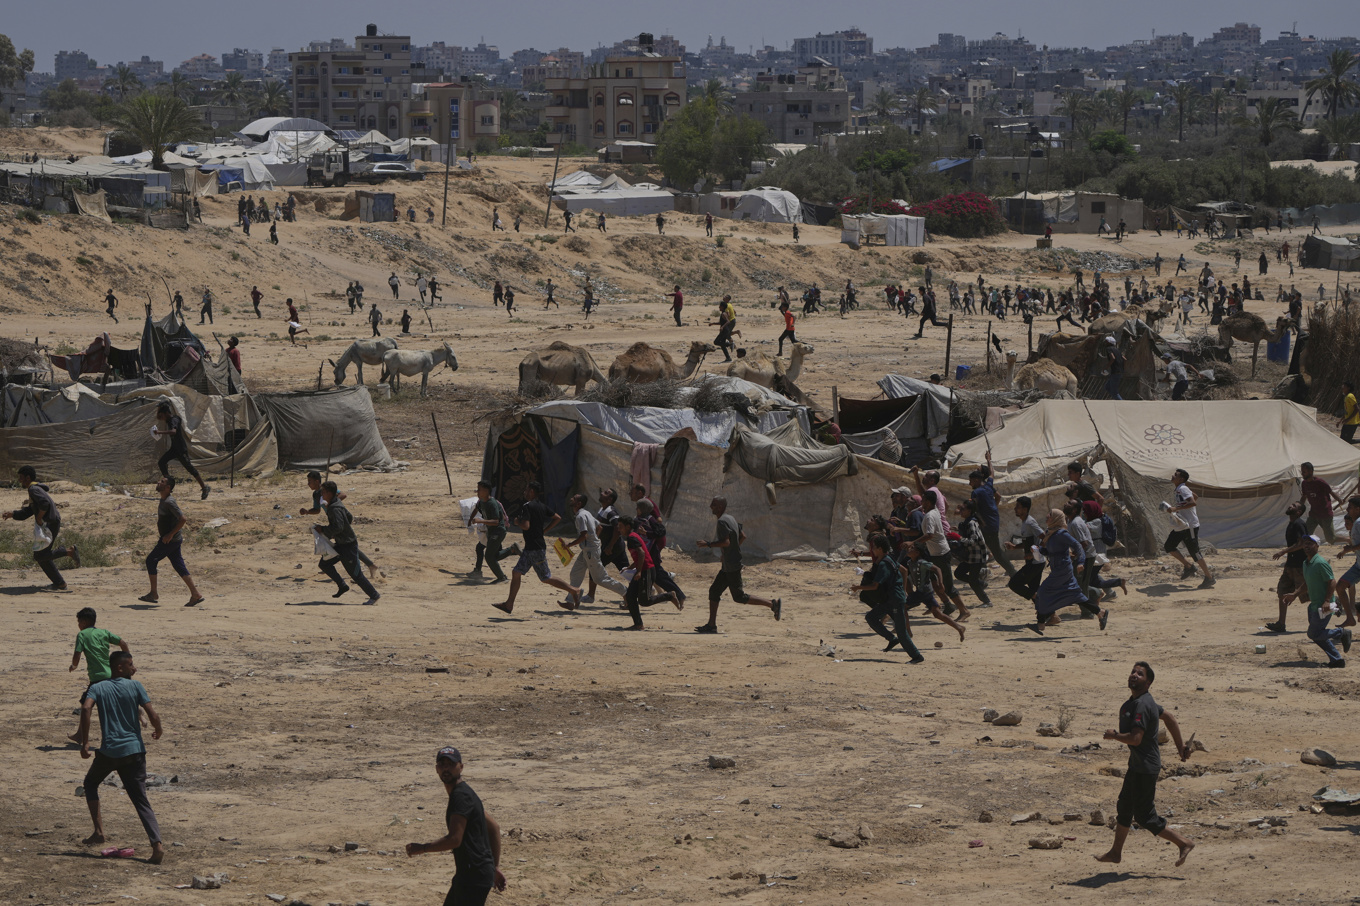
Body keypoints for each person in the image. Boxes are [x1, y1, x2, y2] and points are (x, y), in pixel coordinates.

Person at [1095, 661, 1195, 868]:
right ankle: (1115, 852)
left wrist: (1114, 735)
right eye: (1133, 672)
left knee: (1144, 816)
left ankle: (1183, 842)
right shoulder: (1142, 701)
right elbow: (1169, 717)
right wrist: (1180, 747)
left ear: (1148, 683)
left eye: (1140, 674)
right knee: (1124, 807)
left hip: (1146, 768)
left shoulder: (1142, 704)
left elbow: (1135, 739)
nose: (1134, 675)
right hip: (1137, 765)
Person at [77, 651, 166, 864]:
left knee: (90, 783)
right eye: (130, 665)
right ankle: (157, 845)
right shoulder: (136, 686)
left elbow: (86, 708)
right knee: (140, 799)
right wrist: (158, 729)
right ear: (119, 668)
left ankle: (99, 832)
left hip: (109, 752)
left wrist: (85, 742)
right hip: (134, 752)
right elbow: (152, 714)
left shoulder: (97, 687)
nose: (134, 668)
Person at [406, 747, 506, 905]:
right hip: (472, 873)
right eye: (442, 764)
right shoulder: (464, 793)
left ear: (461, 767)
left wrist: (423, 848)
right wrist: (494, 866)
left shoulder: (461, 796)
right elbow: (493, 826)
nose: (446, 768)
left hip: (473, 875)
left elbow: (454, 840)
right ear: (436, 769)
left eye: (451, 764)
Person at [694, 497, 781, 633]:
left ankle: (772, 604)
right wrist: (731, 551)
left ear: (720, 507)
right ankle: (711, 625)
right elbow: (743, 536)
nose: (711, 506)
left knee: (739, 597)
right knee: (714, 591)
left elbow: (726, 542)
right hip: (729, 564)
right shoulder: (730, 518)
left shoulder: (722, 522)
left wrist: (708, 544)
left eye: (714, 504)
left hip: (731, 566)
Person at [493, 482, 580, 614]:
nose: (524, 492)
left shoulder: (527, 506)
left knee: (545, 577)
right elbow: (557, 517)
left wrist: (517, 522)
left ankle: (573, 590)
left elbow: (526, 526)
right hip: (533, 547)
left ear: (532, 491)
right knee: (516, 572)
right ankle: (509, 604)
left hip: (535, 548)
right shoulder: (541, 506)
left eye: (527, 489)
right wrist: (544, 530)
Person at [5, 465, 80, 590]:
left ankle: (68, 552)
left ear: (28, 478)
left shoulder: (33, 489)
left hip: (50, 523)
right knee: (42, 556)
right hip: (51, 522)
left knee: (40, 555)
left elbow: (44, 504)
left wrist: (39, 518)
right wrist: (13, 514)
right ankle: (60, 583)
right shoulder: (35, 489)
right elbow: (29, 511)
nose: (19, 480)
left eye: (21, 477)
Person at [851, 533, 923, 660]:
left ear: (880, 549)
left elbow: (875, 586)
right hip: (889, 600)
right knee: (871, 617)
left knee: (901, 632)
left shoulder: (884, 563)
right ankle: (891, 639)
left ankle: (917, 656)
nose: (872, 550)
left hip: (895, 600)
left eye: (874, 547)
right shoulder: (887, 559)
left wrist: (858, 587)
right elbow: (903, 571)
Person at [136, 476, 204, 607]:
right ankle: (195, 594)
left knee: (151, 560)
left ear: (168, 487)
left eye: (162, 482)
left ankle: (153, 593)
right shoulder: (164, 500)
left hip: (170, 540)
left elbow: (183, 519)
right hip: (173, 540)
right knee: (179, 566)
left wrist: (170, 535)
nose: (158, 482)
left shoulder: (169, 502)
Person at [300, 472, 379, 580]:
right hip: (334, 520)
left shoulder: (327, 489)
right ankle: (368, 565)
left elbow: (343, 495)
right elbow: (317, 510)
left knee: (345, 545)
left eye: (310, 481)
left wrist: (331, 503)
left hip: (341, 519)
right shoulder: (316, 494)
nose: (308, 484)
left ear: (317, 481)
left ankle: (356, 571)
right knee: (343, 545)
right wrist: (307, 512)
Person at [1288, 534, 1351, 667]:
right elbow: (1307, 583)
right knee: (1318, 635)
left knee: (1314, 633)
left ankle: (1341, 633)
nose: (1307, 546)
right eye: (1305, 543)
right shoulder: (1306, 563)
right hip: (1314, 606)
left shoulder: (1320, 563)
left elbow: (1332, 582)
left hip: (1324, 606)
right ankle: (1337, 660)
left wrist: (1327, 601)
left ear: (1317, 546)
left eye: (1310, 543)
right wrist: (1294, 594)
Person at [67, 607, 129, 743]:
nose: (78, 625)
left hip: (97, 678)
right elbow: (123, 643)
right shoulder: (103, 632)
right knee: (112, 705)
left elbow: (77, 654)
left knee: (86, 706)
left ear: (83, 622)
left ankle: (82, 736)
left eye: (79, 622)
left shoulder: (82, 635)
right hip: (111, 675)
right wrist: (128, 663)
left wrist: (74, 666)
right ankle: (80, 734)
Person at [315, 481, 380, 605]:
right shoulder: (337, 503)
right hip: (341, 544)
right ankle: (342, 585)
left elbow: (338, 527)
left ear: (330, 493)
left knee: (356, 574)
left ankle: (374, 595)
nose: (322, 494)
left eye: (323, 492)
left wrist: (323, 529)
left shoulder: (334, 508)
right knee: (324, 564)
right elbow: (349, 517)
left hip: (348, 545)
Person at [563, 494, 628, 605]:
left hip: (590, 551)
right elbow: (599, 527)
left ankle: (626, 592)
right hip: (588, 549)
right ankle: (571, 600)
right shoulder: (586, 513)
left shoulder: (580, 516)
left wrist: (569, 545)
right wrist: (594, 540)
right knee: (575, 573)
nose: (571, 499)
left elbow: (583, 535)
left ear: (578, 504)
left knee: (600, 579)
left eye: (574, 498)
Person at [618, 514, 676, 629]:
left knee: (645, 601)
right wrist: (630, 568)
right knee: (630, 596)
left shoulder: (632, 537)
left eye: (620, 526)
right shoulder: (633, 536)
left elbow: (642, 553)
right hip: (644, 569)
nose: (619, 529)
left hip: (647, 570)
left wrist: (638, 571)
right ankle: (638, 624)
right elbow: (639, 556)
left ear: (628, 526)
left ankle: (669, 595)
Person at [1164, 468, 1214, 587]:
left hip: (1190, 526)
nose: (1173, 476)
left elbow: (1193, 502)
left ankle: (1209, 578)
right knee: (1169, 546)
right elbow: (1195, 496)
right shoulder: (1180, 488)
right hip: (1182, 525)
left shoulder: (1182, 488)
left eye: (1175, 475)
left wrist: (1176, 509)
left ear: (1181, 479)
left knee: (1195, 552)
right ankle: (1188, 566)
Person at [1267, 502, 1311, 633]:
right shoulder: (1292, 523)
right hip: (1291, 565)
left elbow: (1302, 543)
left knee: (1308, 594)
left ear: (1298, 512)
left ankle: (1332, 604)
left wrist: (1283, 552)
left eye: (1294, 506)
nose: (1290, 506)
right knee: (1283, 591)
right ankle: (1281, 624)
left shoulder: (1299, 524)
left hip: (1300, 565)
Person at [972, 454, 1014, 577]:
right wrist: (989, 460)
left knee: (996, 552)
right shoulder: (988, 486)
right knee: (987, 548)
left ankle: (1012, 571)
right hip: (991, 521)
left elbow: (975, 508)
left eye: (978, 470)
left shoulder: (978, 490)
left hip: (986, 524)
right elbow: (992, 476)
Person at [468, 480, 514, 584]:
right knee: (494, 555)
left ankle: (502, 577)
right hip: (491, 532)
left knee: (489, 556)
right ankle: (512, 550)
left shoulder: (492, 503)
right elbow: (476, 508)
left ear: (486, 490)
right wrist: (470, 520)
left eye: (479, 490)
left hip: (498, 531)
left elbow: (496, 521)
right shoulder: (482, 501)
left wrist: (480, 521)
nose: (477, 492)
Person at [1005, 496, 1046, 601]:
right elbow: (1028, 542)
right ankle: (1044, 608)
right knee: (1034, 590)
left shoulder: (1030, 522)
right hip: (1033, 563)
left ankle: (1038, 598)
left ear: (1025, 509)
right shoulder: (1025, 522)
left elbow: (1045, 538)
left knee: (1014, 584)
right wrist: (1014, 547)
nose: (1015, 509)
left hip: (1035, 563)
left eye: (1017, 506)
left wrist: (1034, 553)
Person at [953, 500, 992, 608]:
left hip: (976, 556)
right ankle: (981, 583)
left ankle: (987, 601)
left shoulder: (971, 523)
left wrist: (959, 538)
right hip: (970, 557)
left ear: (969, 511)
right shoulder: (967, 523)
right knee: (958, 573)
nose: (960, 511)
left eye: (963, 509)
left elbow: (973, 541)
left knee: (972, 581)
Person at [1300, 461, 1345, 542]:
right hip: (1313, 514)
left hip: (1325, 514)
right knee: (1305, 534)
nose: (1302, 474)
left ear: (1310, 471)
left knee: (1330, 538)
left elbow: (1331, 492)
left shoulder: (1320, 482)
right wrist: (1299, 506)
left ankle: (1348, 540)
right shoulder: (1304, 484)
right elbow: (1304, 496)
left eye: (1304, 472)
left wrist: (1339, 500)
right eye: (1302, 472)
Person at [1334, 496, 1360, 626]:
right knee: (1340, 586)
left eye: (1350, 507)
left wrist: (1350, 549)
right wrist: (1347, 550)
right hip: (1358, 565)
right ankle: (1350, 618)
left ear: (1357, 509)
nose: (1347, 509)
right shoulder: (1356, 523)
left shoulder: (1359, 523)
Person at [1102, 336, 1124, 400]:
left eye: (1106, 341)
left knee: (1114, 392)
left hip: (1115, 372)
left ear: (1109, 342)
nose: (1105, 343)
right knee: (1107, 387)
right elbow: (1124, 359)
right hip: (1119, 372)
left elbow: (1113, 358)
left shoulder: (1109, 349)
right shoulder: (1117, 350)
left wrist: (1105, 368)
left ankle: (1122, 403)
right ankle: (1117, 400)